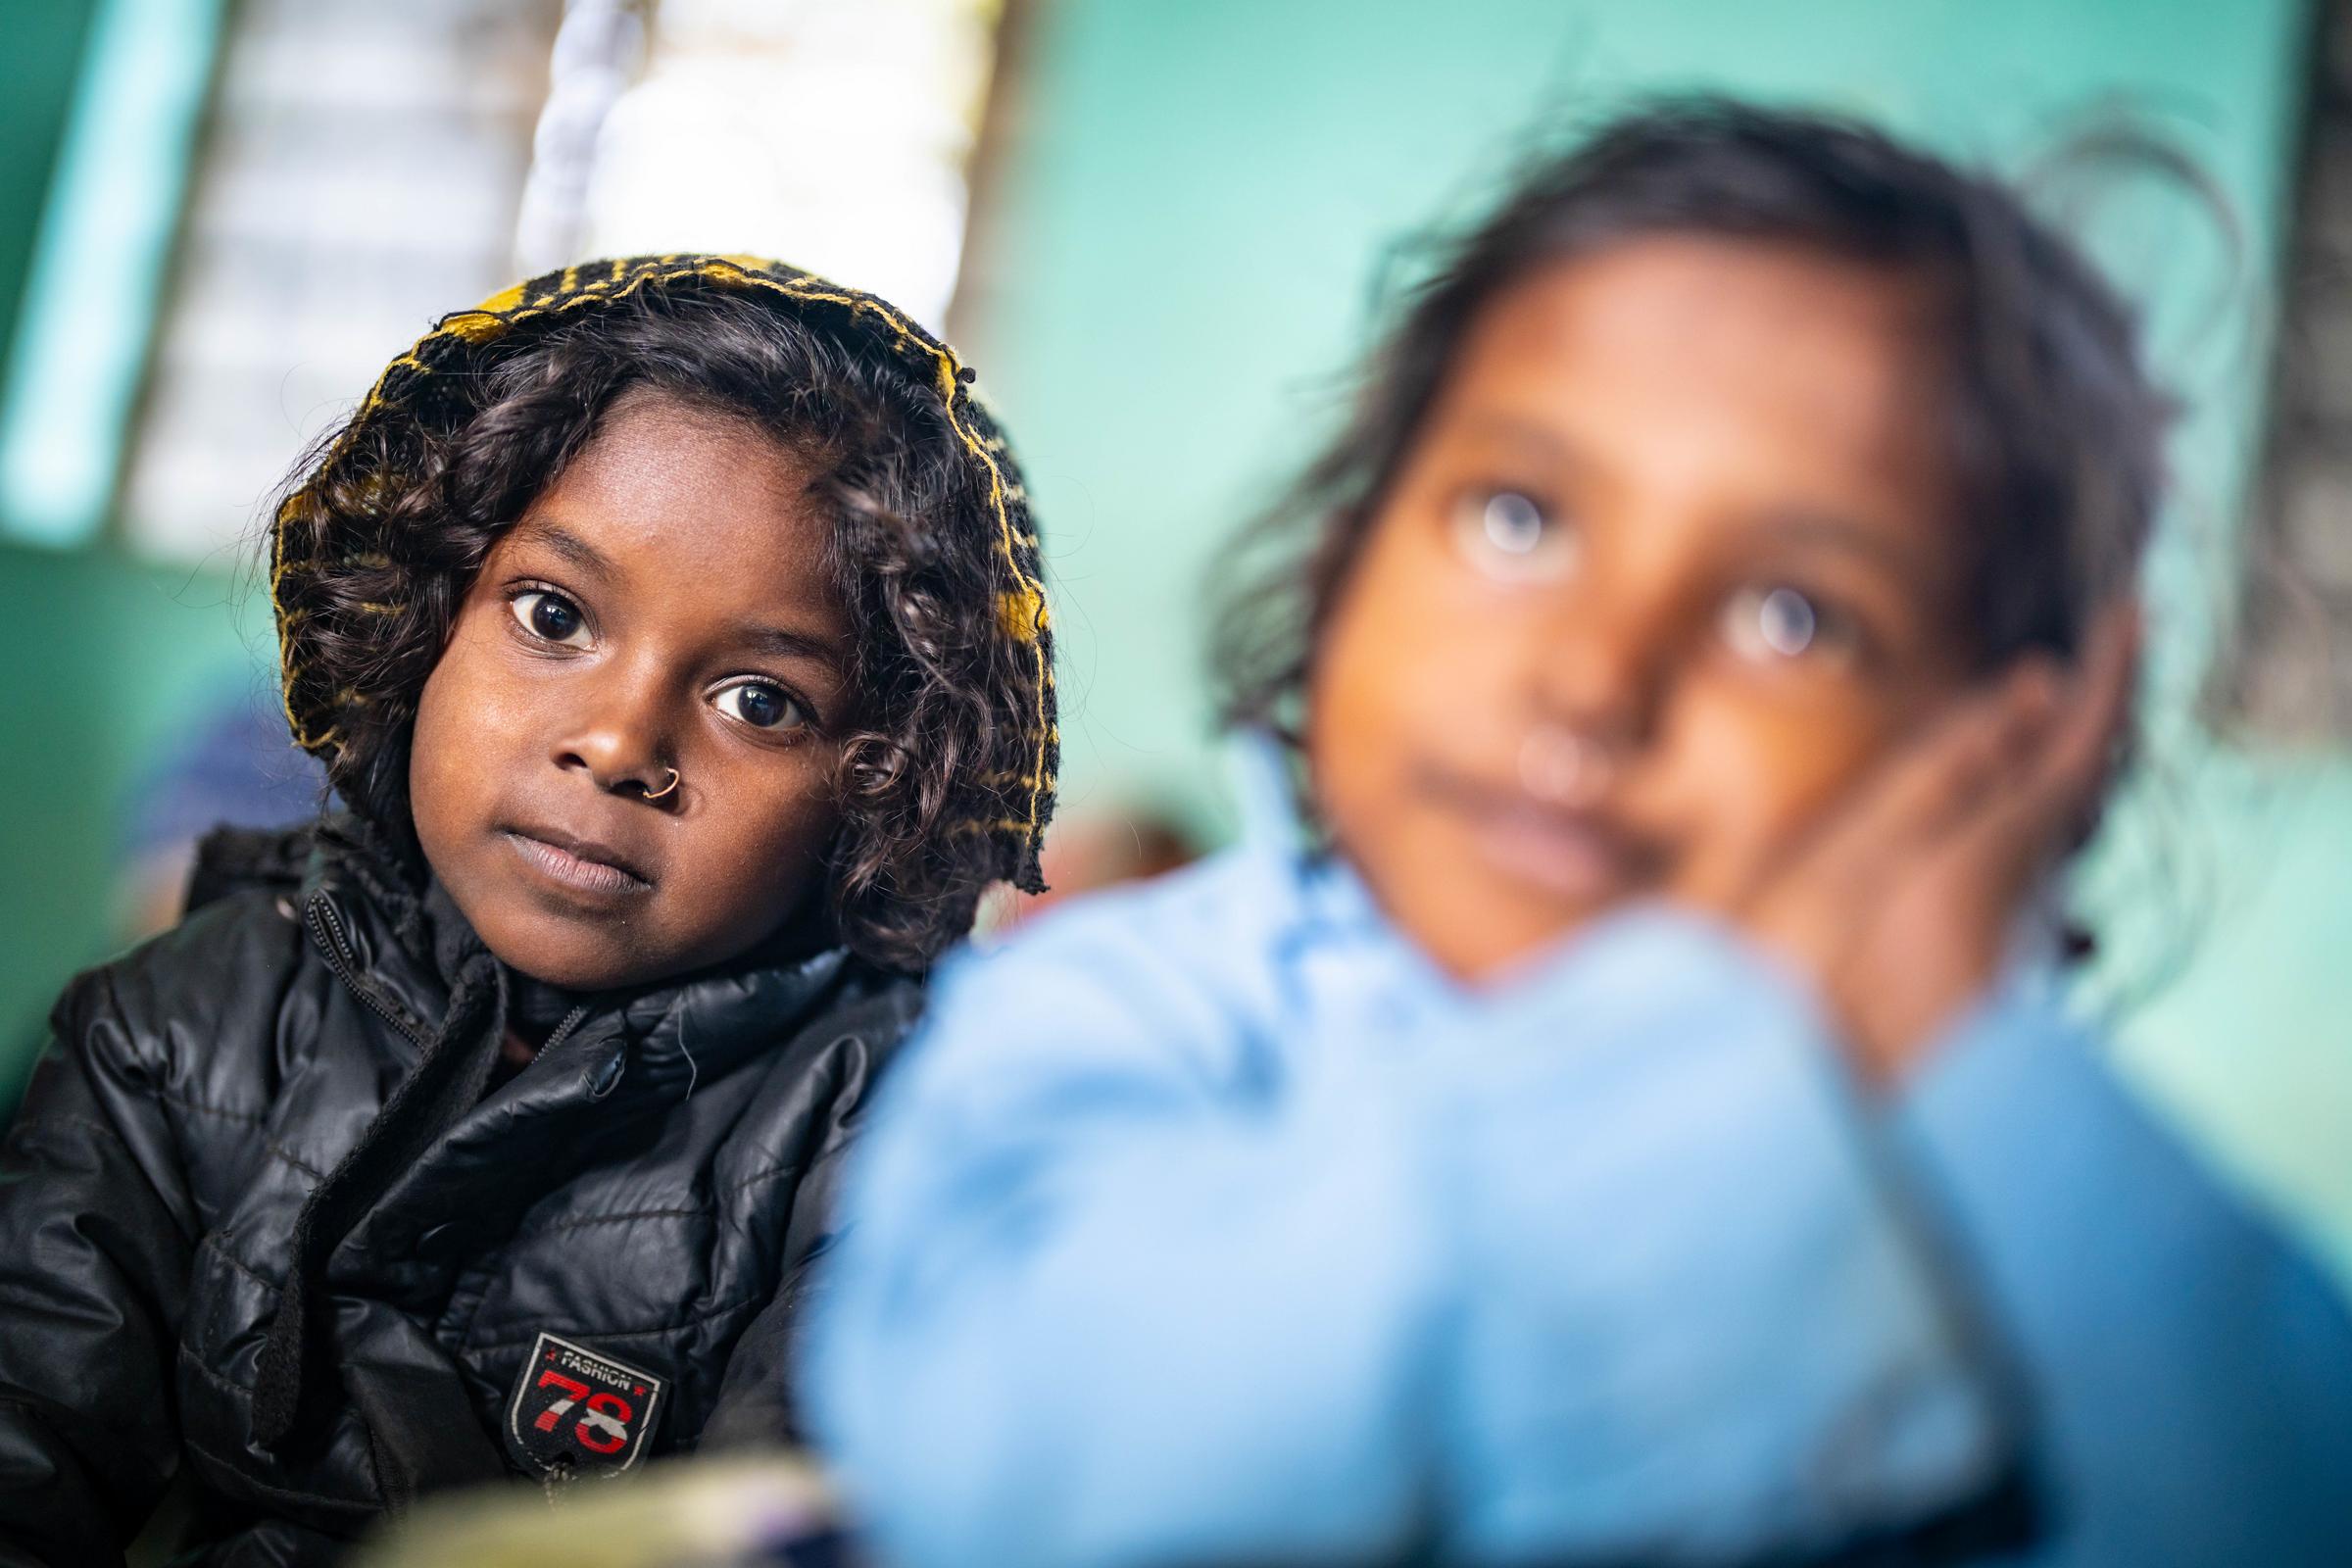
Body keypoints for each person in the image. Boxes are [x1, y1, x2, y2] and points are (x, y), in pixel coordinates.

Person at [804, 103, 2352, 1566]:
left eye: (1791, 615)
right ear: (1350, 554)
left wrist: (1965, 1054)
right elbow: (1014, 1473)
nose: (1597, 679)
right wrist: (1727, 1036)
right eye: (1520, 518)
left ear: (1997, 750)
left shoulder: (1972, 1128)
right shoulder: (1143, 1008)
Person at [0, 256, 1057, 1566]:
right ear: (426, 614)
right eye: (554, 616)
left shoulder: (889, 1135)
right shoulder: (174, 1028)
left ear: (879, 792)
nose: (619, 742)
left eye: (760, 701)